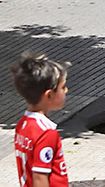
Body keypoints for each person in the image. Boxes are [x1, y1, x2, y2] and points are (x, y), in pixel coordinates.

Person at [12, 53, 69, 187]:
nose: (66, 91)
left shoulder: (22, 125)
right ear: (49, 95)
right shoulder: (46, 133)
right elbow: (40, 177)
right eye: (62, 87)